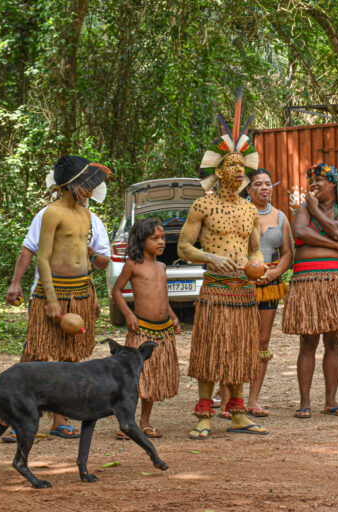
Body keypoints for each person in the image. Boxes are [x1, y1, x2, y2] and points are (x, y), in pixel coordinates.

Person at [178, 87, 268, 439]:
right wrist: (210, 257)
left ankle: (238, 414)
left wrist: (257, 265)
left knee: (241, 351)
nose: (237, 171)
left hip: (243, 291)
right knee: (210, 350)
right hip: (215, 289)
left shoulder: (250, 209)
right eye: (231, 165)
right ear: (218, 170)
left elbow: (256, 249)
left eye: (241, 166)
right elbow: (184, 247)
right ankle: (204, 415)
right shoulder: (202, 205)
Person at [22, 155, 110, 439]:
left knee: (69, 357)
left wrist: (93, 296)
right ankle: (14, 417)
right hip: (53, 292)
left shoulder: (86, 215)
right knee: (36, 355)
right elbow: (42, 258)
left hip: (81, 291)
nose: (90, 188)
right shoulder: (52, 212)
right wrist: (50, 299)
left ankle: (60, 420)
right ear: (70, 184)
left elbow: (85, 257)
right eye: (86, 182)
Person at [282, 163, 338, 419]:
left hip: (337, 281)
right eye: (311, 181)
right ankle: (304, 402)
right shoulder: (303, 209)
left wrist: (316, 211)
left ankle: (331, 401)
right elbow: (300, 232)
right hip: (306, 280)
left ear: (334, 183)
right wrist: (336, 246)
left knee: (334, 341)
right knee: (307, 342)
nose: (313, 184)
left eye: (319, 180)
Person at [111, 218, 181, 438]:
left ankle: (144, 422)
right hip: (142, 330)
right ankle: (127, 422)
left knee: (153, 377)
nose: (161, 242)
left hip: (162, 330)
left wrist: (173, 317)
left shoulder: (162, 266)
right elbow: (116, 291)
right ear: (141, 241)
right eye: (154, 238)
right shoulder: (132, 264)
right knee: (137, 377)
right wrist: (128, 314)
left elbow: (163, 297)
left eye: (162, 238)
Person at [243, 168, 293, 417]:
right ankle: (229, 397)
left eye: (267, 184)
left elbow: (287, 253)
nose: (264, 188)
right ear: (248, 189)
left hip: (270, 285)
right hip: (242, 285)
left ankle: (253, 400)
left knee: (262, 342)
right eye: (258, 184)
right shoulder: (239, 212)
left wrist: (274, 274)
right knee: (238, 340)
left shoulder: (280, 217)